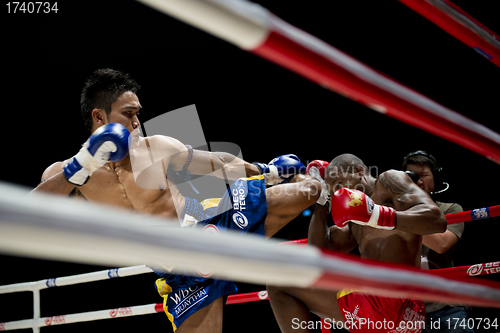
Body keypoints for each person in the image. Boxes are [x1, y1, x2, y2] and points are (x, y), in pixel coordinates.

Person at [32, 68, 323, 333]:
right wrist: (81, 166)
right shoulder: (67, 174)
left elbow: (216, 162)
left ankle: (353, 208)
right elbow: (31, 211)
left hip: (210, 227)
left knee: (311, 189)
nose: (136, 122)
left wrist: (267, 170)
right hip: (181, 272)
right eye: (128, 114)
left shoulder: (155, 147)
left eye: (137, 114)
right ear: (100, 117)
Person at [267, 153, 447, 333]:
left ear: (359, 171)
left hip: (398, 301)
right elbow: (320, 253)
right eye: (332, 190)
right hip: (381, 309)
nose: (337, 193)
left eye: (338, 184)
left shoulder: (388, 181)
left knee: (278, 283)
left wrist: (376, 215)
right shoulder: (355, 218)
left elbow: (437, 220)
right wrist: (322, 201)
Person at [402, 151, 472, 333]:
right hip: (408, 312)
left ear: (436, 179)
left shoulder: (451, 209)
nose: (418, 181)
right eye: (412, 176)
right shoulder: (393, 213)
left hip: (448, 307)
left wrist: (397, 220)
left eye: (424, 175)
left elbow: (441, 244)